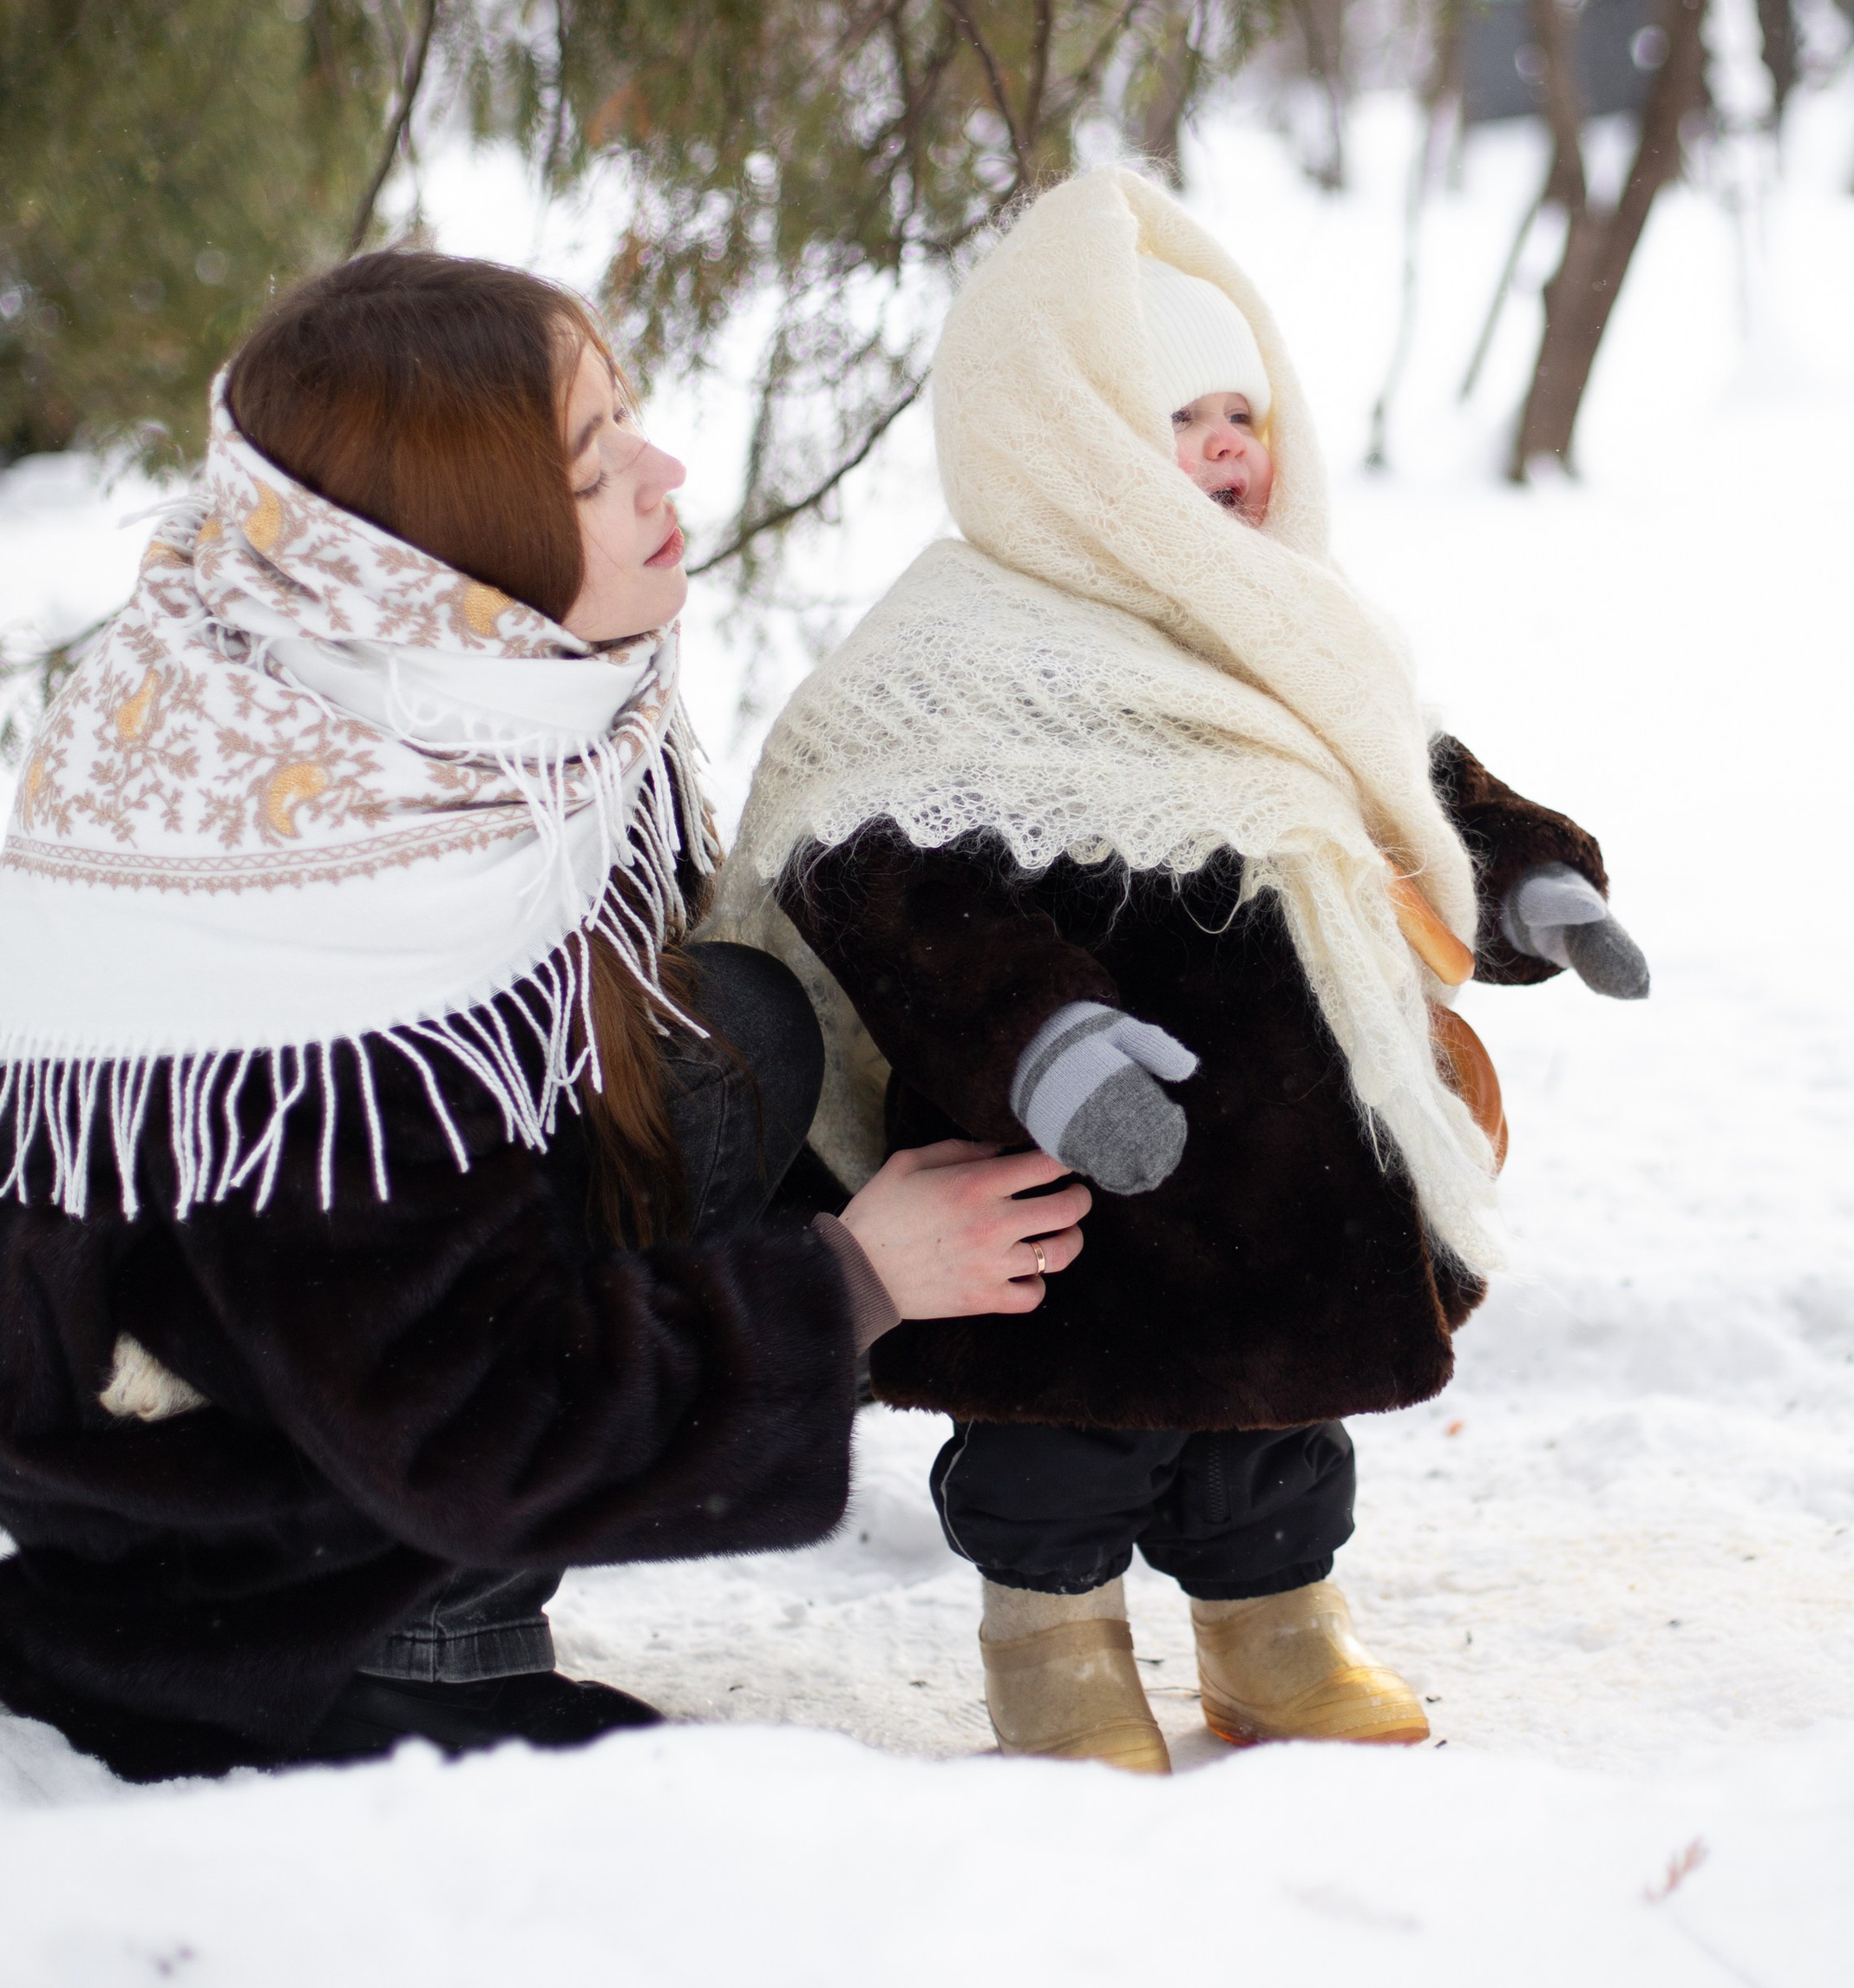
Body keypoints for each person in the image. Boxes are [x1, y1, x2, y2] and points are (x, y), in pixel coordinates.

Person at [0, 252, 1087, 1782]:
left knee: (729, 1034)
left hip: (316, 1381)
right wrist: (853, 1281)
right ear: (441, 545)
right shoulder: (318, 953)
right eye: (590, 465)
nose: (664, 470)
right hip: (243, 1584)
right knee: (715, 1059)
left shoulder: (389, 690)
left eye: (626, 416)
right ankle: (420, 1652)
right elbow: (471, 1417)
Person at [711, 168, 1649, 1774]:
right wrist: (1043, 1043)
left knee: (1278, 1422)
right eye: (1177, 417)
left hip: (1293, 1155)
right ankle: (1052, 1640)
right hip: (1068, 1166)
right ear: (1063, 441)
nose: (1227, 448)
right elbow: (882, 878)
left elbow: (1412, 786)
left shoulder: (1283, 629)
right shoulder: (954, 654)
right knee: (1066, 1425)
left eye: (1242, 412)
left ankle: (1277, 1625)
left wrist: (1535, 884)